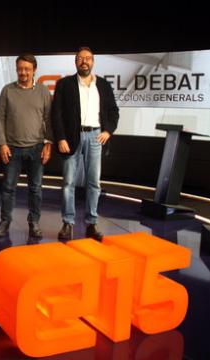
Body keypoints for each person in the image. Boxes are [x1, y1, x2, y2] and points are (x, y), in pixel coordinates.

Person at [52, 46, 119, 241]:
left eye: (88, 58)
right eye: (81, 58)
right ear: (76, 62)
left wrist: (108, 131)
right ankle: (67, 222)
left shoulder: (104, 85)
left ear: (93, 62)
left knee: (94, 183)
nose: (84, 61)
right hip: (72, 137)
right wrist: (61, 138)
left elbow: (113, 111)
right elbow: (56, 114)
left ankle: (91, 223)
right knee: (68, 183)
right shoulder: (65, 84)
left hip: (96, 136)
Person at [0, 54, 53, 238]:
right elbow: (0, 119)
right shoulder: (7, 90)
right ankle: (5, 221)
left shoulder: (43, 91)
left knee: (35, 188)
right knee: (8, 188)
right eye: (20, 68)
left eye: (27, 69)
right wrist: (2, 143)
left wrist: (48, 144)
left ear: (34, 69)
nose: (23, 72)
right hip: (12, 148)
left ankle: (33, 222)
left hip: (36, 148)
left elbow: (48, 119)